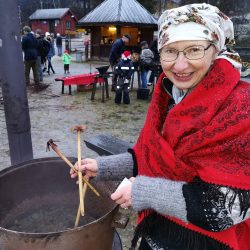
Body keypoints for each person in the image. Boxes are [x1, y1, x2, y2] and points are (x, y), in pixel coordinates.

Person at [71, 3, 250, 250]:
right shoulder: (168, 95)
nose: (179, 65)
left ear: (215, 51)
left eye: (194, 50)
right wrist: (101, 167)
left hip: (208, 243)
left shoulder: (241, 109)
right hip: (158, 233)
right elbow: (150, 156)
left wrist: (142, 191)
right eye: (170, 51)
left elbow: (227, 208)